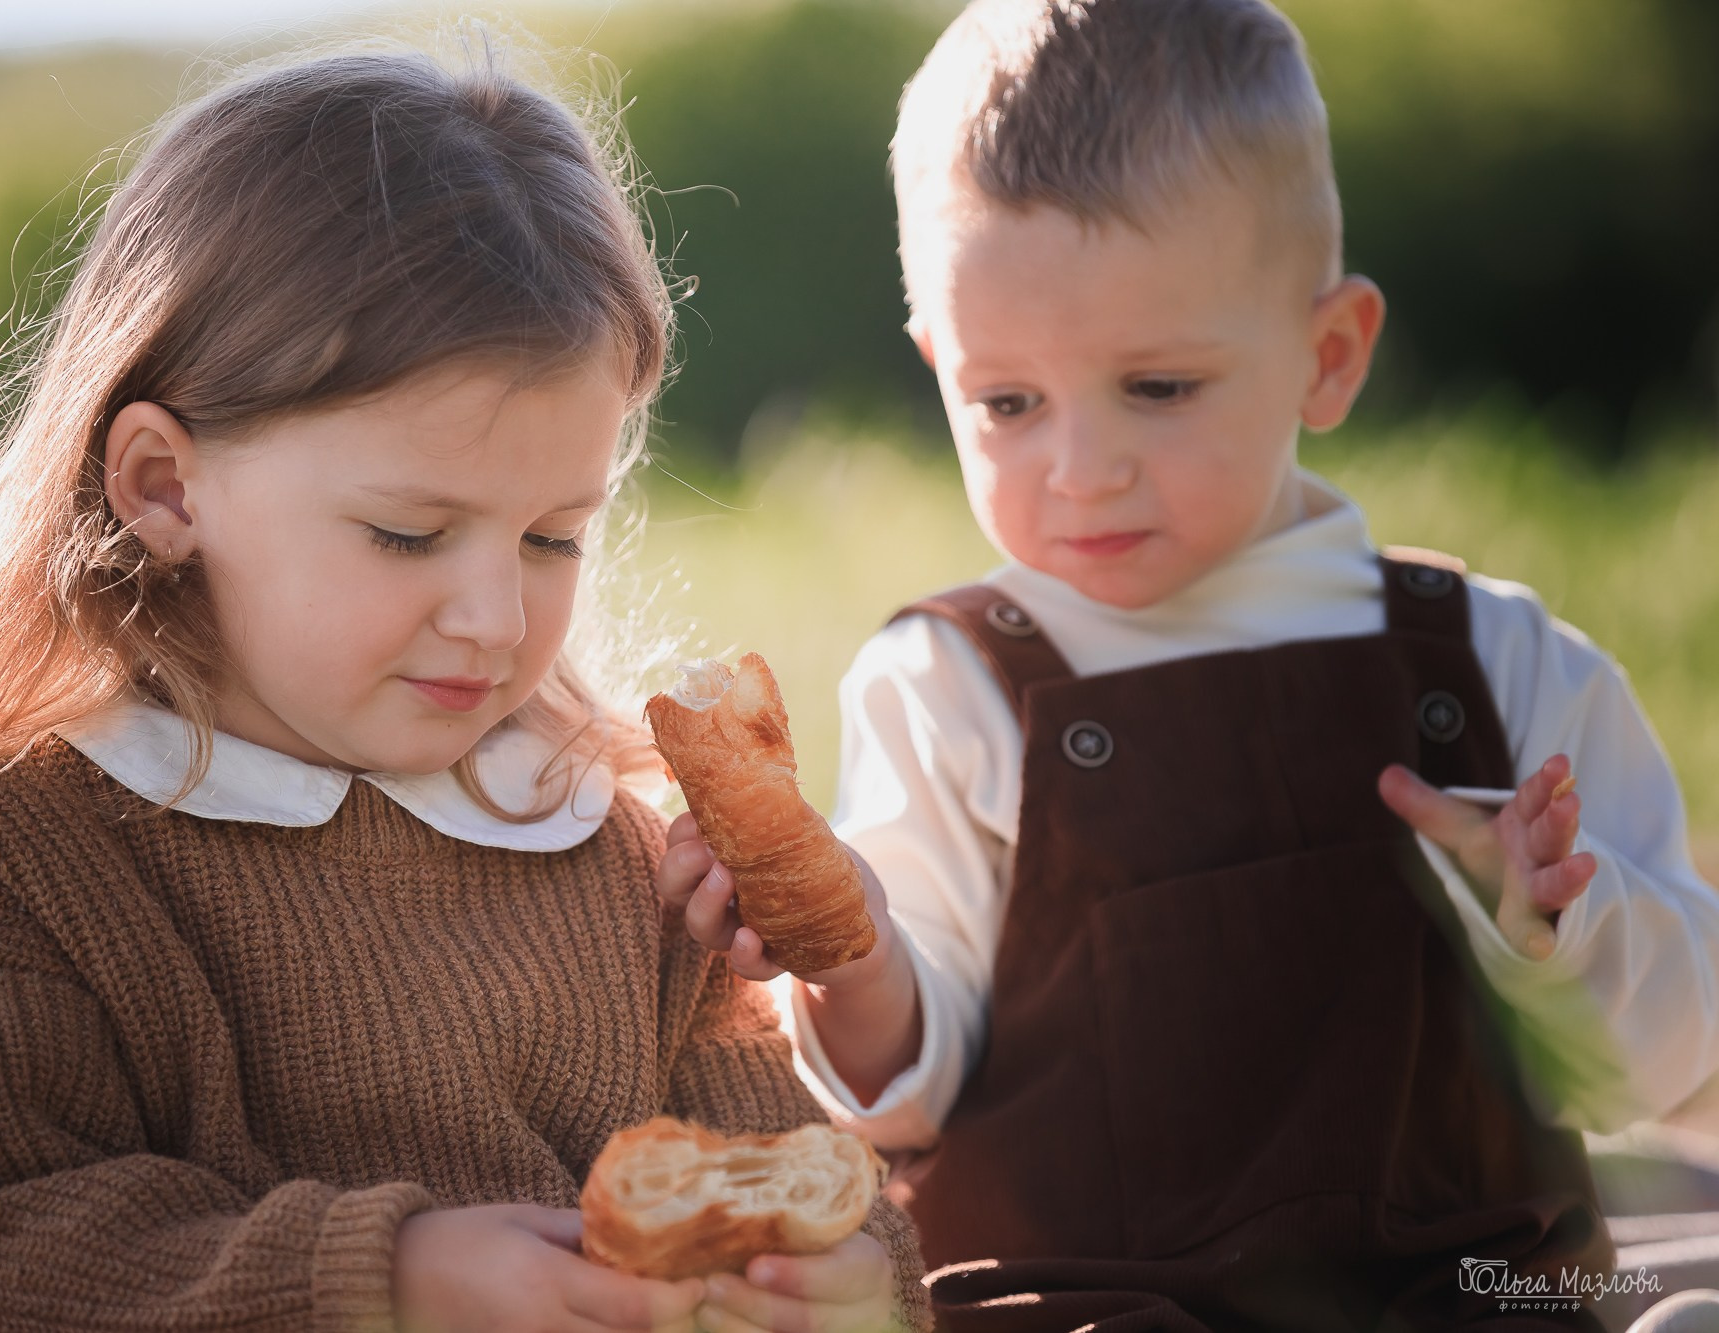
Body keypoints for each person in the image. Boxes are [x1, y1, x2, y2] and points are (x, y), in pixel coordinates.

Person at [0, 47, 931, 1333]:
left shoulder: (597, 842)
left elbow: (776, 1171)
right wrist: (387, 1283)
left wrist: (845, 1286)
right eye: (406, 533)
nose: (498, 619)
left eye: (552, 536)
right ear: (167, 487)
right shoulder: (10, 861)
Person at [656, 1, 1719, 1327]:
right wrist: (851, 953)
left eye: (1156, 387)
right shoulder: (954, 682)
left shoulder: (1496, 664)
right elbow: (911, 1090)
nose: (1080, 468)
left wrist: (1560, 925)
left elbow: (1667, 1066)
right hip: (1085, 1301)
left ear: (1326, 355)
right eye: (1008, 403)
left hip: (1481, 1287)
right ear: (939, 366)